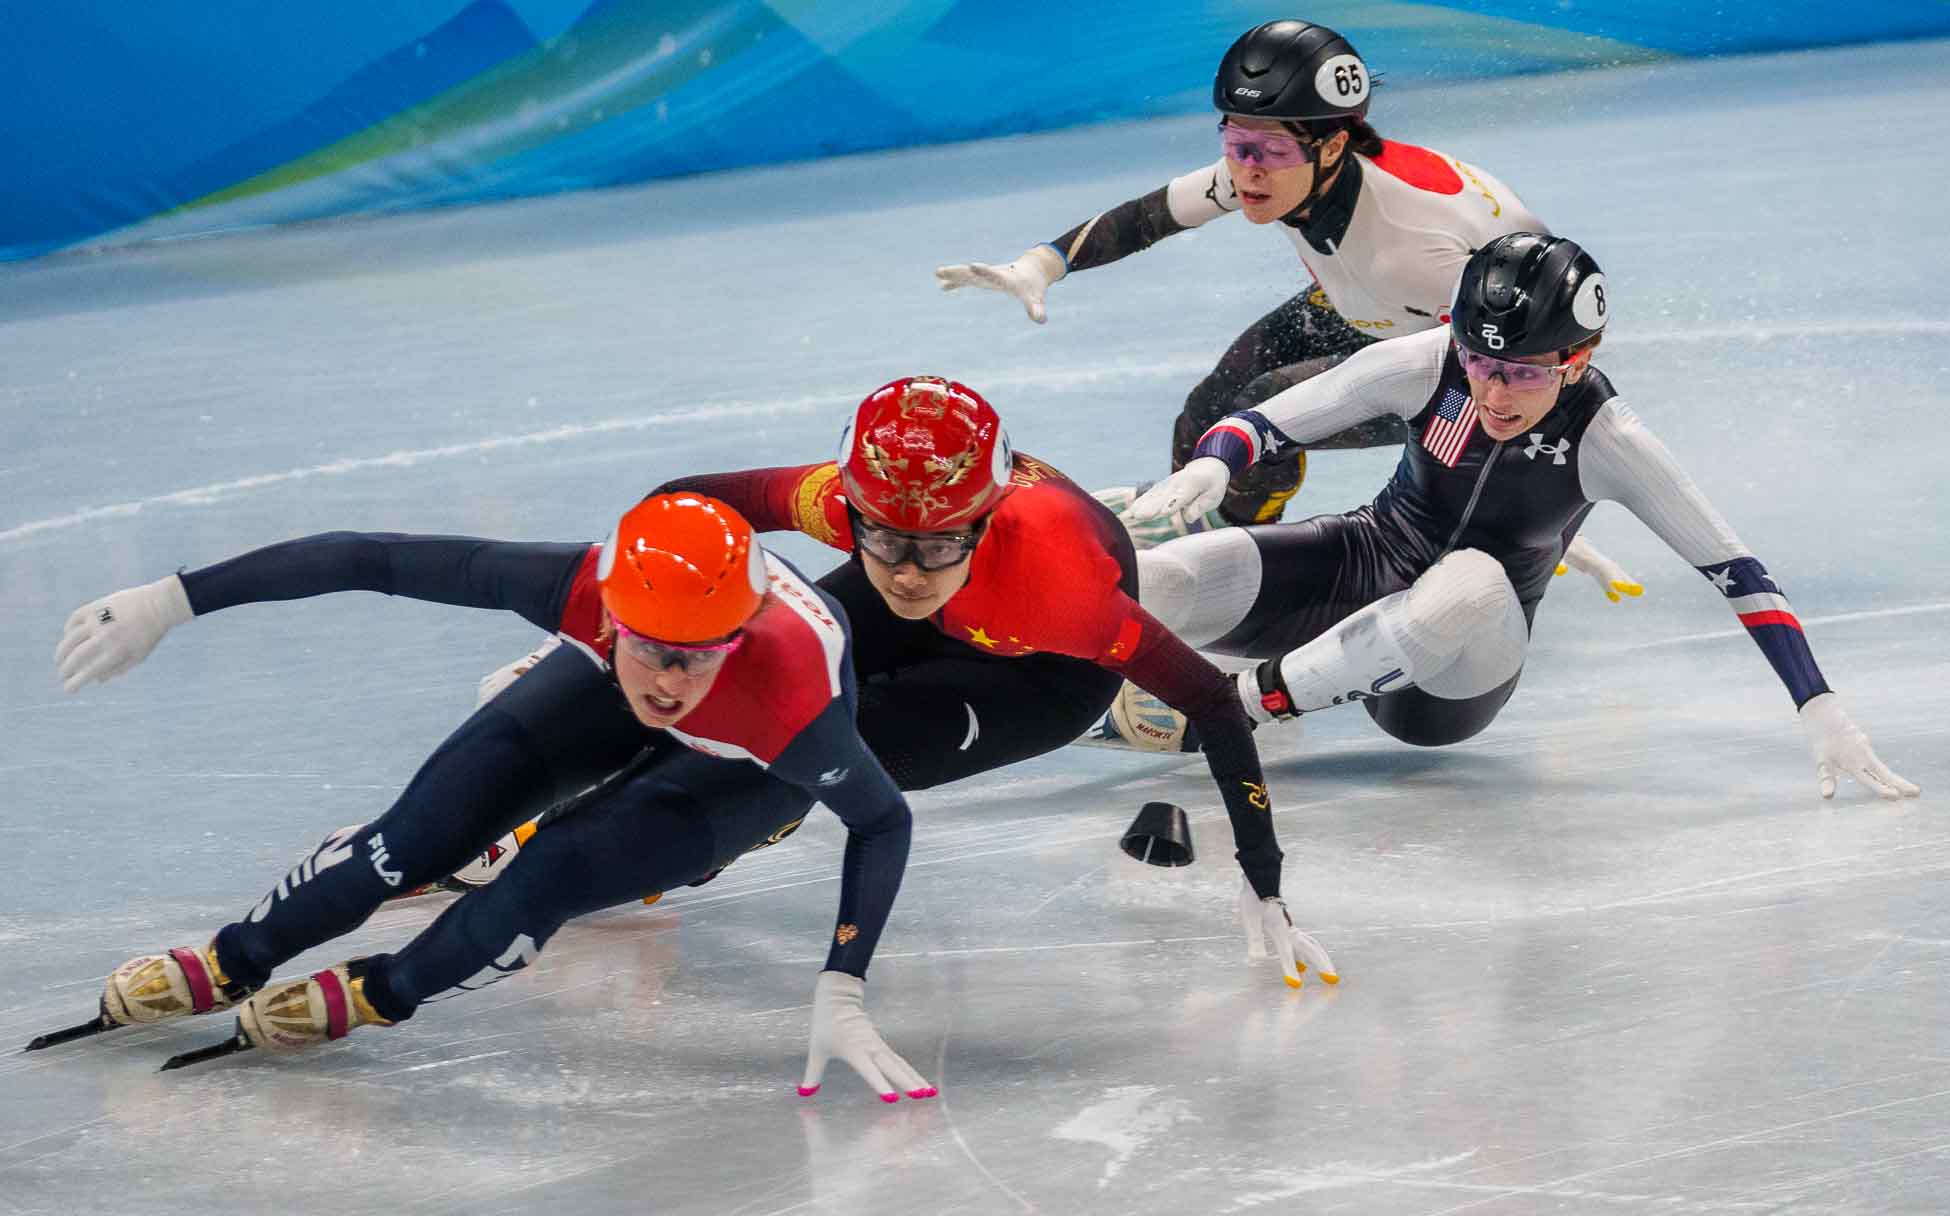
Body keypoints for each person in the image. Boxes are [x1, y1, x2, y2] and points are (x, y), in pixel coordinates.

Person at [47, 494, 937, 1100]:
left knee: (544, 876)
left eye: (697, 652)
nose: (669, 679)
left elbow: (882, 818)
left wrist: (843, 985)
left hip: (746, 770)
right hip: (603, 681)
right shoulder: (575, 587)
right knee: (408, 843)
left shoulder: (792, 706)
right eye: (651, 646)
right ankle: (239, 954)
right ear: (609, 614)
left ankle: (380, 991)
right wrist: (174, 599)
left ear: (739, 635)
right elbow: (369, 558)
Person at [475, 376, 1336, 986]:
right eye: (883, 535)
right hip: (966, 596)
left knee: (818, 742)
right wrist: (642, 617)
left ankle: (684, 845)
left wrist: (1263, 876)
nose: (909, 569)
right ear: (852, 509)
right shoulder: (867, 514)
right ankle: (554, 811)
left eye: (936, 542)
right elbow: (685, 503)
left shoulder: (1063, 590)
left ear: (984, 520)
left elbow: (1216, 701)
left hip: (1040, 674)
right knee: (746, 665)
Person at [1113, 233, 1919, 802]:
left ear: (1580, 360)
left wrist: (1819, 704)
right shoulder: (1429, 364)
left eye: (1525, 374)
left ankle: (1232, 711)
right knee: (1159, 579)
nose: (1495, 394)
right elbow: (1264, 420)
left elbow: (1738, 571)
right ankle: (1029, 677)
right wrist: (1216, 463)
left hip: (1451, 672)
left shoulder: (1610, 438)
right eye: (1481, 363)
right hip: (1364, 563)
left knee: (1469, 581)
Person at [935, 18, 1545, 531]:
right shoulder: (1282, 165)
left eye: (1270, 151)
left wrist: (1502, 491)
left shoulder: (1417, 242)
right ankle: (1196, 522)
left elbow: (1506, 365)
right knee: (1209, 404)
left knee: (1261, 408)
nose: (1247, 171)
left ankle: (1228, 552)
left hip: (1486, 351)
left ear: (1333, 146)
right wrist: (1041, 265)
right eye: (1235, 140)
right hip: (1379, 307)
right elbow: (1150, 217)